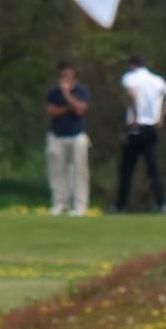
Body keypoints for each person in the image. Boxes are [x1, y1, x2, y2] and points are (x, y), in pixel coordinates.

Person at [112, 54, 166, 213]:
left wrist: (135, 115)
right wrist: (161, 115)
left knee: (127, 169)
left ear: (132, 65)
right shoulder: (156, 80)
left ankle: (121, 206)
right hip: (151, 127)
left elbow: (131, 94)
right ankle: (162, 203)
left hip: (136, 126)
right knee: (153, 168)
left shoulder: (130, 77)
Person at [44, 61, 91, 216]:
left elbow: (80, 110)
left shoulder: (81, 90)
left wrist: (66, 95)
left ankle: (79, 206)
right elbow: (51, 112)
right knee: (56, 171)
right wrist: (68, 107)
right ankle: (59, 203)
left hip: (77, 135)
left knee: (79, 171)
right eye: (64, 72)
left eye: (69, 72)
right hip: (57, 135)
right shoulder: (52, 92)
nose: (66, 75)